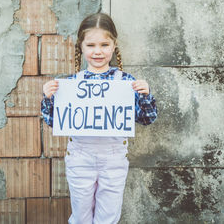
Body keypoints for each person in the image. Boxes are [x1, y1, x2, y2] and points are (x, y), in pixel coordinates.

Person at [41, 12, 157, 224]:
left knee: (108, 217)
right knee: (81, 217)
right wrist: (48, 98)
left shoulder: (126, 83)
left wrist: (145, 96)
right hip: (80, 158)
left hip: (113, 159)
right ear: (81, 47)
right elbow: (53, 121)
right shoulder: (71, 84)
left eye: (104, 45)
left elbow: (146, 119)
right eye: (91, 45)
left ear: (114, 46)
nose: (98, 51)